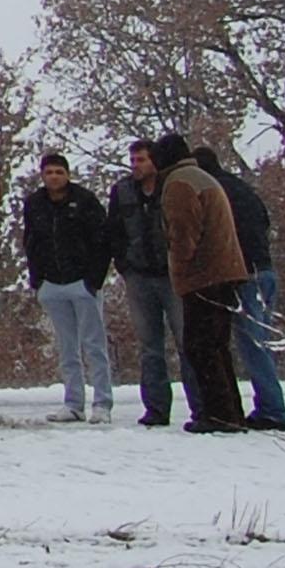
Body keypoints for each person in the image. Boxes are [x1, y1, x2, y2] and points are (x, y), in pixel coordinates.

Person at [156, 129, 250, 432]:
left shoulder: (179, 184)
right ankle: (232, 411)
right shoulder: (203, 177)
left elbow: (183, 234)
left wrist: (179, 267)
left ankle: (218, 415)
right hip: (227, 270)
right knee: (219, 346)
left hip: (204, 276)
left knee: (201, 346)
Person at [20, 150, 113, 421]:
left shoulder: (85, 201)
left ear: (68, 175)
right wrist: (38, 280)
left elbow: (101, 241)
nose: (54, 177)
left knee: (94, 345)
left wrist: (93, 280)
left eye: (59, 172)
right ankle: (73, 403)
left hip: (82, 283)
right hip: (52, 284)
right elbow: (31, 242)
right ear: (42, 175)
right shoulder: (35, 204)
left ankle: (102, 403)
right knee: (67, 346)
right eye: (49, 172)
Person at [204, 150, 285, 431]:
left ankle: (273, 410)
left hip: (244, 273)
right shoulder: (243, 189)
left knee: (253, 346)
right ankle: (269, 403)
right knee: (261, 341)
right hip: (265, 269)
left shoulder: (214, 192)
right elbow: (264, 223)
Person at [107, 140, 178, 425]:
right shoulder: (122, 191)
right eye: (133, 160)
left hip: (171, 274)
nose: (136, 165)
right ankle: (156, 408)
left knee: (186, 341)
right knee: (150, 346)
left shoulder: (170, 188)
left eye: (141, 160)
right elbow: (114, 229)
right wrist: (123, 263)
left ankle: (199, 404)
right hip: (138, 274)